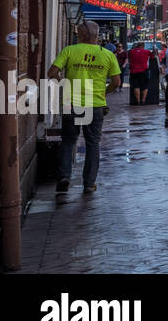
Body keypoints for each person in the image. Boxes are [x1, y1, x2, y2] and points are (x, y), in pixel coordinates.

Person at [48, 20, 121, 194]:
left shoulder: (70, 51)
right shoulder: (108, 55)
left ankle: (64, 177)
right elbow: (117, 82)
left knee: (68, 141)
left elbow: (52, 72)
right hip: (95, 104)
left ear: (80, 35)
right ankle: (89, 183)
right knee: (93, 143)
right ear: (97, 36)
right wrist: (104, 92)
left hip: (70, 103)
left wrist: (64, 85)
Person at [127, 40, 153, 106]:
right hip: (144, 71)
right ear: (143, 46)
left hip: (134, 71)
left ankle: (138, 101)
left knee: (136, 86)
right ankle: (143, 101)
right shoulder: (147, 51)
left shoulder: (131, 52)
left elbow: (129, 58)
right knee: (145, 87)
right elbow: (153, 57)